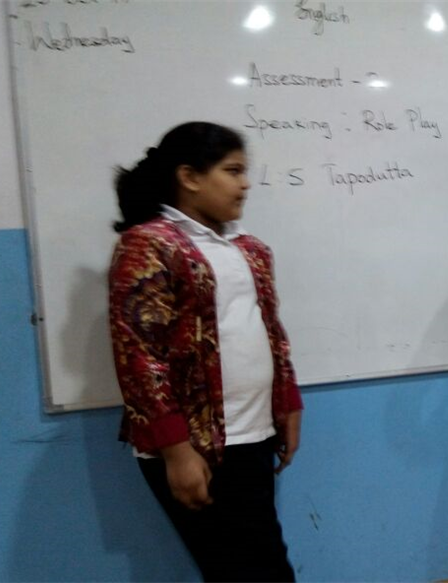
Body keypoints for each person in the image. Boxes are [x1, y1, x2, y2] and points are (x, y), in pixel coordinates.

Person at [108, 121, 303, 582]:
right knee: (243, 570)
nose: (245, 183)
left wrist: (288, 402)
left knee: (263, 563)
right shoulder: (148, 244)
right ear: (190, 177)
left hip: (252, 433)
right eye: (232, 171)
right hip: (196, 445)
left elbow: (271, 331)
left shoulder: (250, 249)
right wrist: (176, 451)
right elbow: (138, 355)